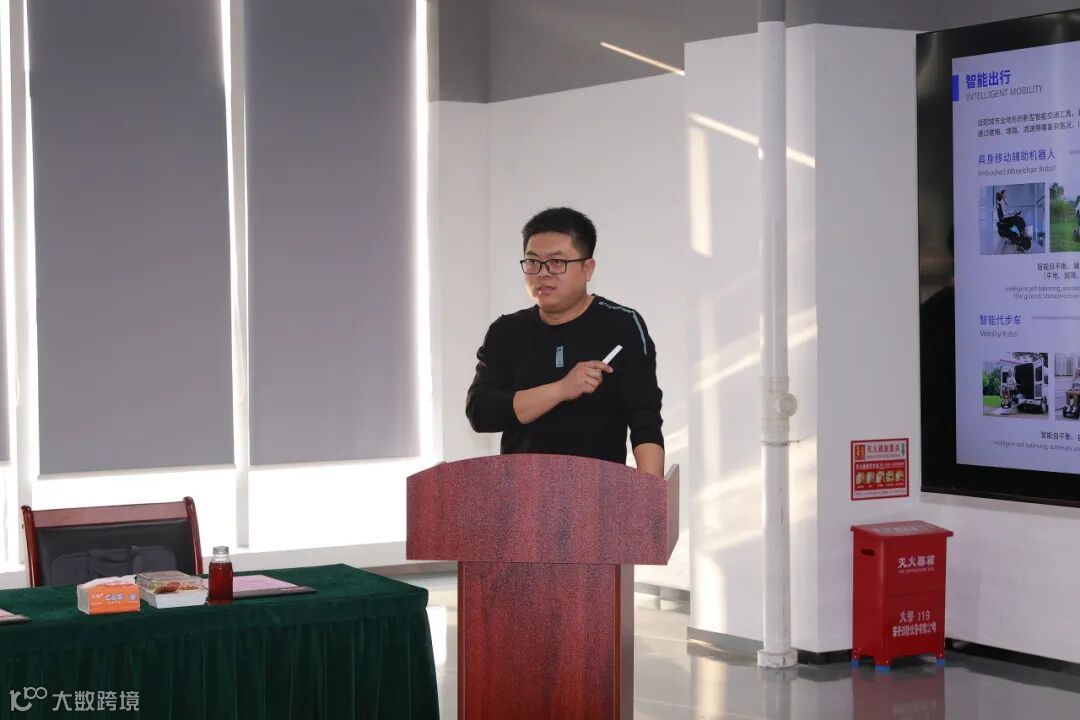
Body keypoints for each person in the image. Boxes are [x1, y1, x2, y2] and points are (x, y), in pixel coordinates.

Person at [465, 207, 665, 477]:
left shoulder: (622, 325)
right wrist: (561, 389)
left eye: (557, 262)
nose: (543, 273)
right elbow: (481, 412)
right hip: (522, 491)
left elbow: (645, 420)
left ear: (587, 268)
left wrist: (650, 496)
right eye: (533, 262)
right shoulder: (506, 331)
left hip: (599, 490)